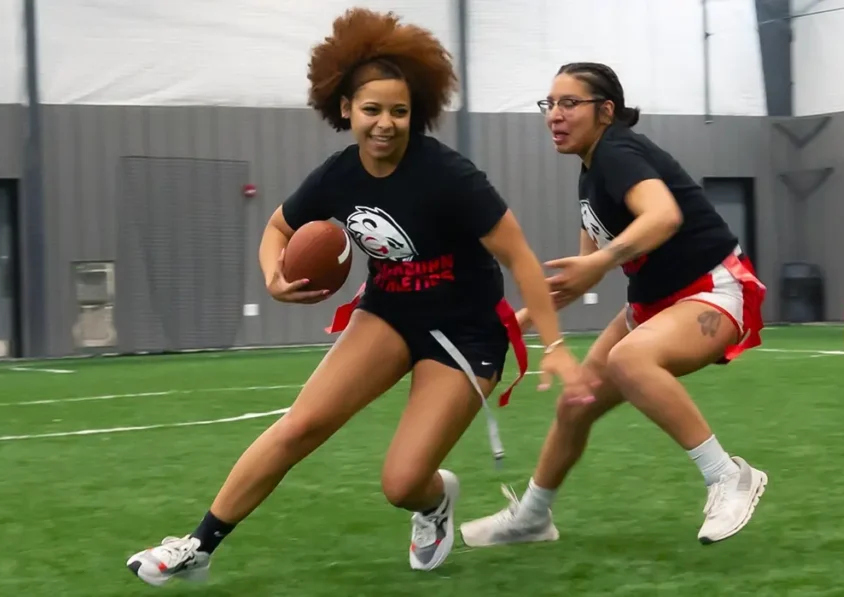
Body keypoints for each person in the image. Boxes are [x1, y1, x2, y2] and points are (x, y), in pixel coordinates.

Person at [125, 9, 593, 586]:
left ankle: (433, 501)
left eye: (399, 111)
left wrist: (556, 346)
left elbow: (519, 256)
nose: (385, 124)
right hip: (390, 312)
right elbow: (276, 228)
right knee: (300, 425)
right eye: (371, 109)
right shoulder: (336, 176)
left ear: (414, 111)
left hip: (466, 335)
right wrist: (274, 277)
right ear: (344, 108)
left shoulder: (450, 176)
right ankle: (198, 545)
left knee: (401, 484)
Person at [459, 62, 769, 549]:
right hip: (652, 306)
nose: (554, 116)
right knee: (575, 403)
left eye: (569, 103)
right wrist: (516, 324)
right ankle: (533, 518)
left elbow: (663, 216)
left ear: (606, 111)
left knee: (630, 358)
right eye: (550, 104)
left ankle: (728, 476)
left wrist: (601, 259)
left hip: (710, 290)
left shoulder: (618, 151)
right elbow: (581, 276)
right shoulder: (591, 175)